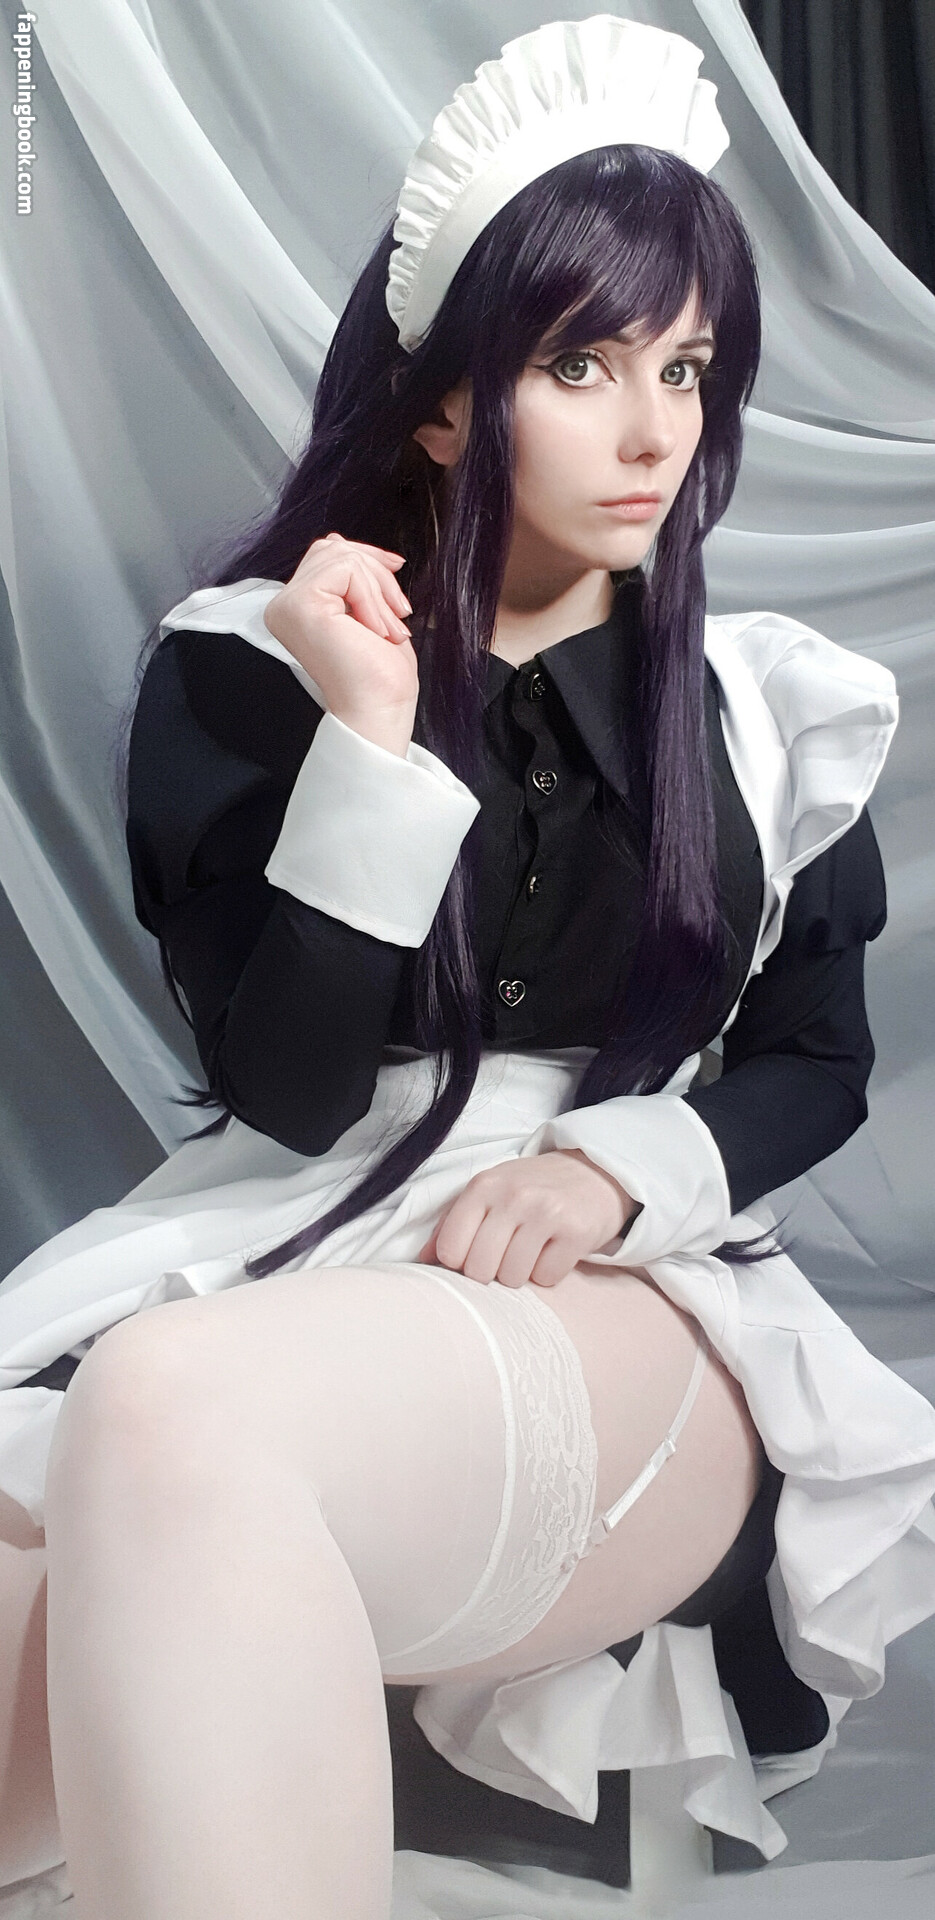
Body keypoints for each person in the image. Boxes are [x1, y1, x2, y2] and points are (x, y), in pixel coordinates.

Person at [1, 15, 934, 1917]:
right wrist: (370, 744)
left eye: (684, 367)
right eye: (581, 365)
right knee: (121, 1458)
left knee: (163, 1407)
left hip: (632, 1301)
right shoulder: (251, 671)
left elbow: (814, 1061)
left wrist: (621, 1169)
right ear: (441, 407)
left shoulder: (764, 716)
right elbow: (289, 1094)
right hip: (273, 1233)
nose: (656, 431)